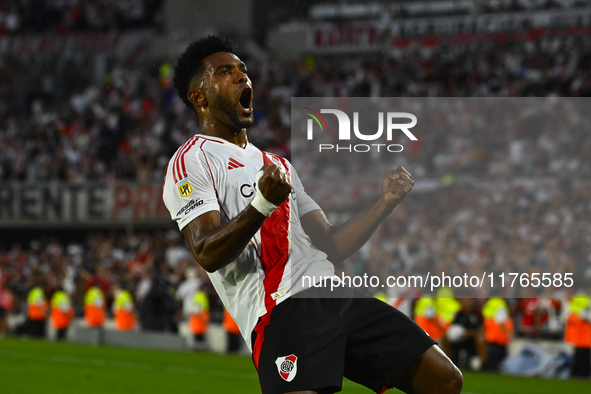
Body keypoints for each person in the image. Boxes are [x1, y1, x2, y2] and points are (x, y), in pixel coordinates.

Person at [163, 35, 462, 394]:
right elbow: (207, 252)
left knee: (443, 380)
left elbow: (331, 244)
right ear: (199, 97)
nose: (243, 78)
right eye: (226, 73)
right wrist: (262, 205)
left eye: (244, 70)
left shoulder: (279, 165)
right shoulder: (193, 159)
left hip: (333, 292)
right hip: (281, 309)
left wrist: (384, 204)